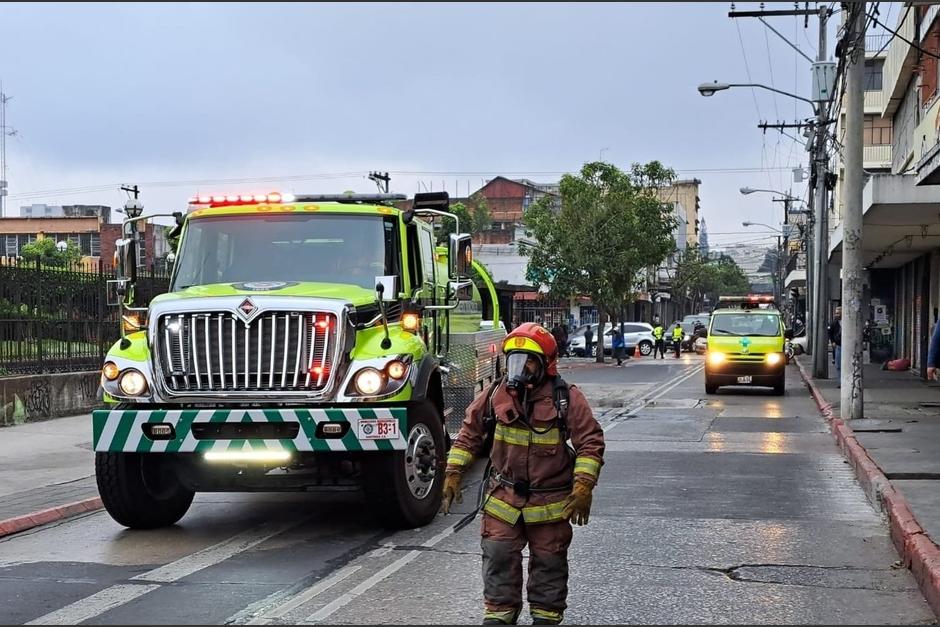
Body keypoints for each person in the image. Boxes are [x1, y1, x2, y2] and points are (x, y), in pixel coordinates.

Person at [441, 323, 605, 625]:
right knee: (498, 556)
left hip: (550, 503)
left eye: (528, 360)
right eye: (515, 359)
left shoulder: (565, 398)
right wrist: (453, 473)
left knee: (549, 565)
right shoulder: (495, 394)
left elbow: (590, 442)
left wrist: (583, 486)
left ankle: (545, 618)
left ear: (546, 363)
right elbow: (468, 434)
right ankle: (500, 617)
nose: (520, 368)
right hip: (503, 498)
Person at [828, 306, 842, 383]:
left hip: (846, 346)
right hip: (838, 346)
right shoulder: (834, 323)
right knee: (838, 365)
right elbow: (830, 333)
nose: (837, 315)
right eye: (836, 313)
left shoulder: (847, 322)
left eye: (838, 313)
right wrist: (832, 341)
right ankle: (840, 382)